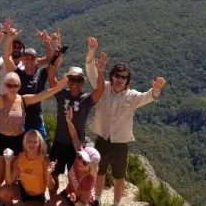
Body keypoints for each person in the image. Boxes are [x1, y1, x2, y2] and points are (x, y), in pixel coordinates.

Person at [0, 58, 68, 203]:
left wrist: (60, 86)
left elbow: (43, 95)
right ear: (4, 85)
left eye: (15, 85)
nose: (12, 87)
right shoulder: (0, 99)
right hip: (2, 140)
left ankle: (16, 198)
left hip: (18, 141)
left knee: (16, 175)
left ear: (19, 86)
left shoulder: (23, 100)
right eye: (9, 85)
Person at [90, 56, 167, 206]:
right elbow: (92, 74)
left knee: (119, 177)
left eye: (123, 77)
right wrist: (91, 54)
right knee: (99, 172)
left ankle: (116, 204)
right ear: (111, 76)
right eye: (117, 75)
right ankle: (97, 200)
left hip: (121, 143)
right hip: (102, 138)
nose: (119, 79)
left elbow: (148, 97)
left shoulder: (132, 96)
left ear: (127, 80)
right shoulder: (103, 88)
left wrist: (156, 89)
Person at [47, 37, 106, 197]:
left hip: (76, 145)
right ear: (67, 81)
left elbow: (100, 91)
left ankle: (76, 199)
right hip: (59, 142)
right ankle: (54, 198)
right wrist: (55, 57)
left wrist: (100, 71)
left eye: (77, 80)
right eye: (71, 79)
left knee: (77, 176)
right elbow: (51, 78)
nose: (74, 83)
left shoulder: (86, 99)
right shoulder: (61, 93)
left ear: (82, 83)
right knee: (53, 173)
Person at [50, 108, 101, 206]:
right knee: (50, 203)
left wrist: (74, 201)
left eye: (85, 162)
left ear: (92, 167)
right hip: (69, 193)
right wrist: (69, 121)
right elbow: (74, 136)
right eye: (80, 157)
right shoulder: (79, 156)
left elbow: (83, 203)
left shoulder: (88, 180)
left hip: (79, 201)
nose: (80, 161)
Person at [0, 130, 56, 205]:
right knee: (3, 192)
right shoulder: (19, 158)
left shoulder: (44, 160)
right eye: (29, 141)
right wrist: (8, 163)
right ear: (25, 143)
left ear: (39, 144)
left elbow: (51, 186)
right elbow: (8, 182)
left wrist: (48, 174)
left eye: (35, 141)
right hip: (22, 191)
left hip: (38, 196)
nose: (32, 144)